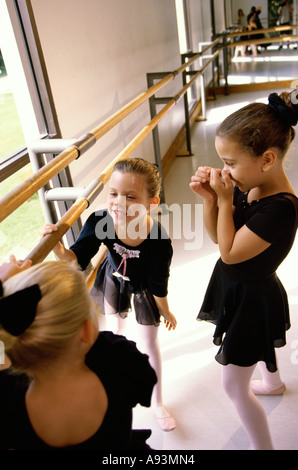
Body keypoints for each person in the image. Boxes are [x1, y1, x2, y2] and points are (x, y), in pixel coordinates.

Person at [190, 89, 298, 450]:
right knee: (261, 349)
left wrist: (223, 199)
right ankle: (272, 383)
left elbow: (231, 252)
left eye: (231, 162)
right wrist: (211, 200)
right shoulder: (250, 187)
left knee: (233, 387)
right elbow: (219, 238)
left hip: (253, 299)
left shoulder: (280, 208)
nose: (224, 170)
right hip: (244, 287)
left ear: (267, 159)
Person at [42, 157, 177, 432]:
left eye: (131, 196)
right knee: (117, 333)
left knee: (149, 343)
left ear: (152, 202)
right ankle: (119, 377)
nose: (118, 202)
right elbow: (76, 260)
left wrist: (165, 310)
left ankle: (157, 401)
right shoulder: (100, 221)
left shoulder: (158, 242)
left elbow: (159, 284)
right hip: (114, 278)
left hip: (144, 288)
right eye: (113, 194)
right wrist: (58, 249)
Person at [0, 259, 157, 449]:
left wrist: (4, 288)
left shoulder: (7, 397)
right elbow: (146, 382)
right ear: (86, 331)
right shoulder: (117, 359)